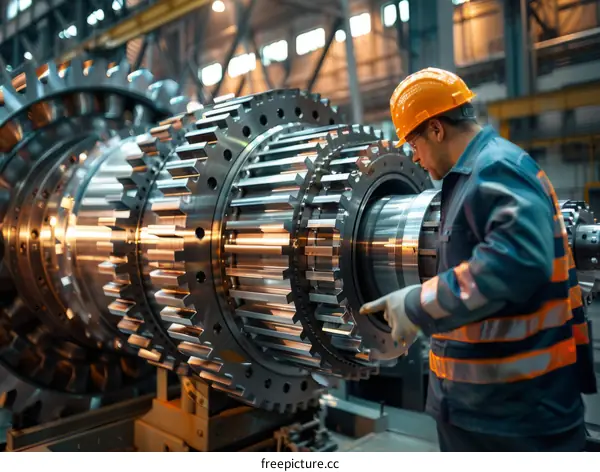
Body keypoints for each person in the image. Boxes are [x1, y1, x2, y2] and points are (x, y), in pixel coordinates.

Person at [360, 67, 597, 452]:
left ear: (436, 129)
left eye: (413, 144)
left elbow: (516, 262)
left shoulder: (496, 168)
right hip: (481, 407)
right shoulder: (470, 176)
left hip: (514, 415)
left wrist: (417, 303)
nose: (414, 159)